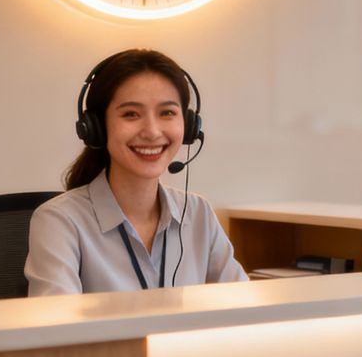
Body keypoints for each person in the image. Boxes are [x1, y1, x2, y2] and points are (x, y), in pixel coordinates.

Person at [25, 49, 247, 296]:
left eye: (167, 113)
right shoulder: (60, 221)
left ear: (188, 125)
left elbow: (243, 308)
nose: (152, 131)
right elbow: (58, 329)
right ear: (97, 127)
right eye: (131, 114)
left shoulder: (197, 214)